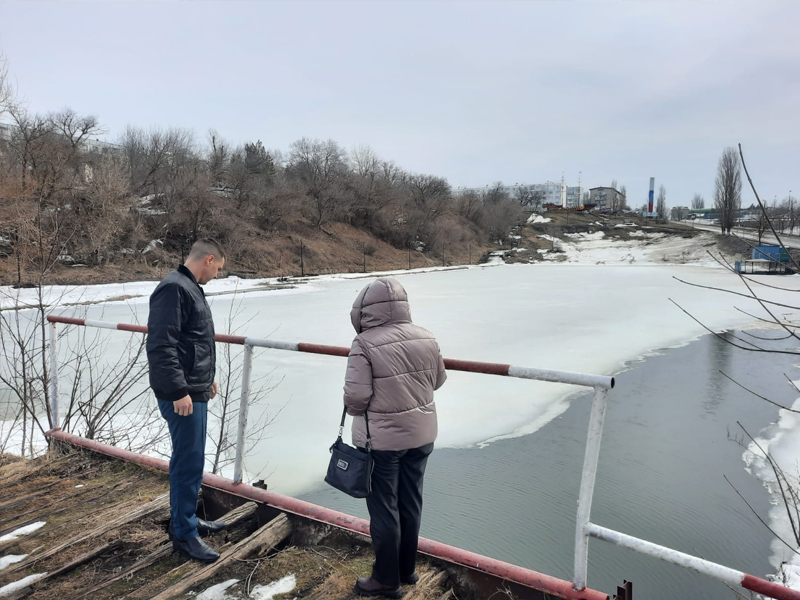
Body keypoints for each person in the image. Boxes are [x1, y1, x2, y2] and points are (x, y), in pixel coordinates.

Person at [343, 277, 447, 598]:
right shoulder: (427, 336)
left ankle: (386, 580)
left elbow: (356, 400)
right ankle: (407, 570)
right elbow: (438, 380)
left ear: (364, 310)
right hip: (422, 436)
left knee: (384, 509)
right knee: (410, 501)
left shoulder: (364, 344)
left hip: (382, 444)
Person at [146, 238, 227, 563]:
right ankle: (184, 535)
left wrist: (206, 379)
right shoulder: (174, 288)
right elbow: (161, 346)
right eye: (218, 269)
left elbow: (193, 341)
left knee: (193, 460)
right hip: (181, 394)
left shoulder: (187, 287)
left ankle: (188, 521)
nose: (217, 275)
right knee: (187, 462)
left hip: (195, 389)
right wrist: (179, 391)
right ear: (208, 259)